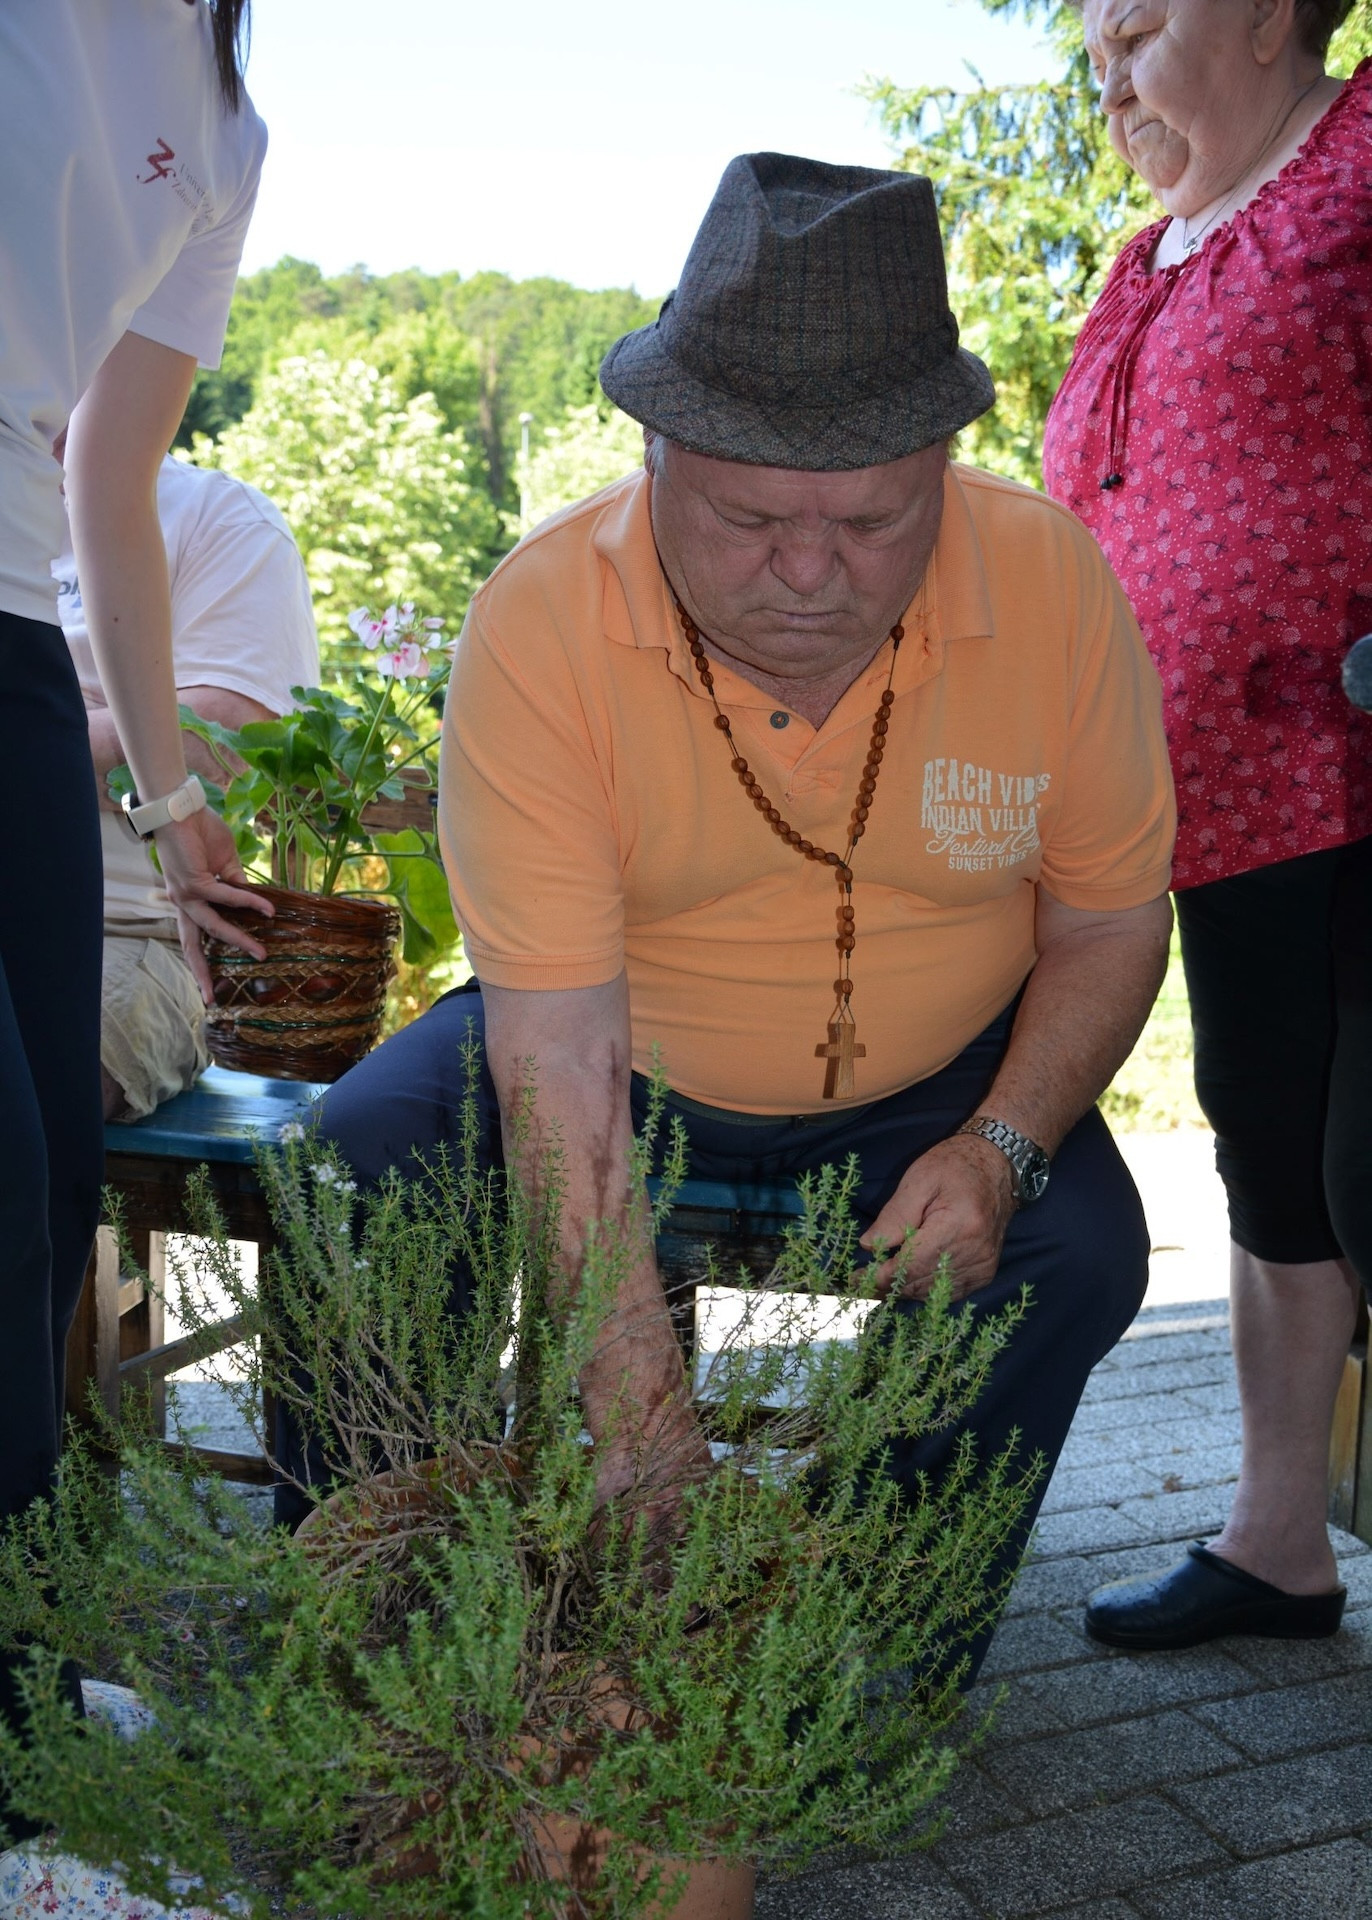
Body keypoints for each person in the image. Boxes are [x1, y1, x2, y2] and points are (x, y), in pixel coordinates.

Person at [302, 151, 1177, 1686]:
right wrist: (632, 1401)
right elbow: (556, 1051)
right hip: (614, 1056)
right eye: (750, 516)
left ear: (943, 463)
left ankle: (855, 1661)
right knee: (356, 1167)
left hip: (934, 1085)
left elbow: (1111, 924)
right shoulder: (542, 617)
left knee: (1082, 1246)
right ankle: (392, 1648)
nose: (809, 574)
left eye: (874, 520)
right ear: (654, 452)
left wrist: (1001, 1148)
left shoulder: (1055, 585)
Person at [1043, 0, 1372, 1648]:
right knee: (1273, 1158)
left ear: (1261, 14)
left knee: (1362, 1167)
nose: (1108, 61)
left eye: (1141, 21)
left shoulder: (1364, 165)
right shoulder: (1150, 258)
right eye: (1095, 42)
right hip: (1219, 802)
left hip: (1353, 768)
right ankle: (1276, 1543)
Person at [0, 3, 271, 1912]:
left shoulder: (221, 120)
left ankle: (13, 1689)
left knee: (46, 1203)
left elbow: (113, 474)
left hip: (16, 630)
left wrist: (170, 803)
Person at [56, 456, 321, 1122]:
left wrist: (32, 727)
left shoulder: (222, 520)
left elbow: (219, 746)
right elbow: (172, 738)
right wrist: (106, 721)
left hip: (131, 938)